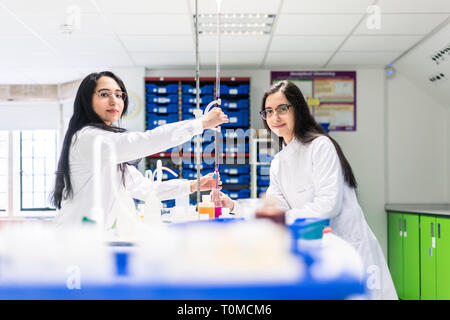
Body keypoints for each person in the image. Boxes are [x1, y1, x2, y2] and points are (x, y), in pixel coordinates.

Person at [217, 80, 397, 300]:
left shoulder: (321, 146)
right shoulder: (278, 162)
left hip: (348, 248)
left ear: (298, 109)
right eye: (269, 112)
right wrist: (235, 205)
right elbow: (275, 206)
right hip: (319, 252)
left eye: (282, 109)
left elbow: (328, 206)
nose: (275, 117)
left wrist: (284, 218)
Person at [51, 71, 227, 230]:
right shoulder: (89, 139)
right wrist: (201, 124)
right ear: (87, 100)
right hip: (74, 238)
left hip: (91, 238)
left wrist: (193, 185)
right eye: (104, 94)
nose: (114, 100)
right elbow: (147, 141)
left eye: (119, 95)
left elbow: (146, 189)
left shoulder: (108, 147)